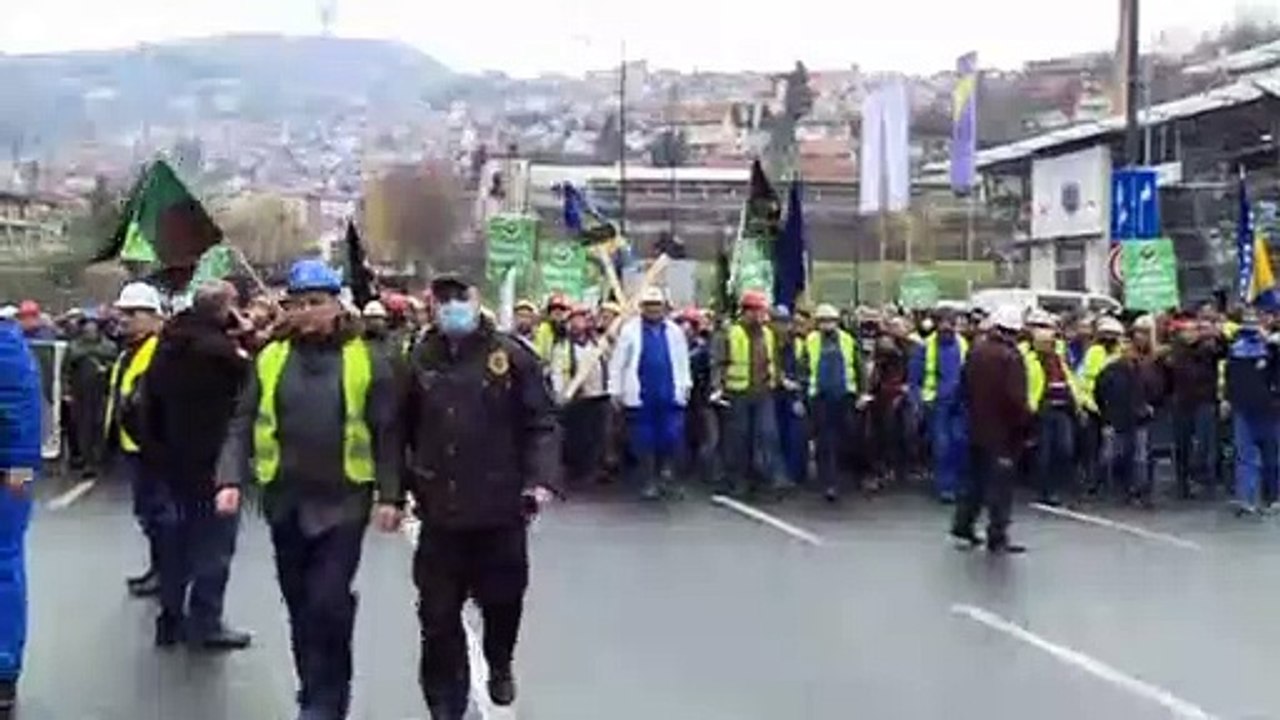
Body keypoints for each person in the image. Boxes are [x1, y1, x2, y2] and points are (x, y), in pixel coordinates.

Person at [220, 259, 403, 719]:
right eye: (298, 304)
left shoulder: (368, 358)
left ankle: (326, 700)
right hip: (285, 498)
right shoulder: (271, 357)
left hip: (344, 501)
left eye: (316, 303)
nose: (306, 312)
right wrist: (229, 477)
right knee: (300, 604)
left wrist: (391, 494)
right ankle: (313, 687)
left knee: (327, 600)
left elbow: (387, 432)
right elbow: (243, 421)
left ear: (337, 304)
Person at [401, 273, 558, 719]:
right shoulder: (416, 358)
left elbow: (541, 421)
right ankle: (444, 706)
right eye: (444, 298)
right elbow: (397, 428)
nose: (452, 305)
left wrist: (539, 479)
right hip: (439, 511)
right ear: (432, 305)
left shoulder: (509, 355)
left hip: (500, 509)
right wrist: (394, 492)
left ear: (476, 301)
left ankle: (499, 661)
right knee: (437, 618)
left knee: (503, 601)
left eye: (460, 297)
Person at [142, 281, 252, 650]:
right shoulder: (220, 352)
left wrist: (155, 451)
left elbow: (148, 401)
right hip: (215, 461)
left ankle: (170, 618)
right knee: (215, 546)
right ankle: (205, 622)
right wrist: (247, 336)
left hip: (171, 458)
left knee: (177, 544)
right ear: (226, 309)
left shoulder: (169, 343)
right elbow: (250, 385)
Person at [952, 305, 1032, 554]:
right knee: (1000, 486)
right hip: (1002, 432)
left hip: (976, 427)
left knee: (975, 481)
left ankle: (963, 525)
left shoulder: (976, 351)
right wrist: (1024, 426)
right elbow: (1015, 398)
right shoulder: (1011, 357)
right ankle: (997, 534)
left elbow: (963, 387)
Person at [104, 282, 167, 597]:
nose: (125, 319)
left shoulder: (160, 350)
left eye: (133, 313)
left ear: (155, 316)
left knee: (159, 515)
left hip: (153, 449)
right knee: (147, 514)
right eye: (123, 312)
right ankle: (158, 569)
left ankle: (167, 573)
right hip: (134, 447)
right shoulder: (130, 351)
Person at [609, 287, 693, 500]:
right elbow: (618, 362)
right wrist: (616, 390)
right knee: (644, 439)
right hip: (641, 393)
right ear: (642, 308)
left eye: (657, 306)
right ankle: (649, 480)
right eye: (649, 306)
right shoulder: (630, 330)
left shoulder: (674, 331)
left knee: (672, 436)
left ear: (664, 308)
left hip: (669, 391)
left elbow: (682, 361)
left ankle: (668, 477)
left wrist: (685, 386)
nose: (654, 310)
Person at [0, 318, 41, 711]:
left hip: (4, 477)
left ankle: (3, 668)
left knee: (3, 568)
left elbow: (20, 405)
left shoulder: (5, 345)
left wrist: (19, 464)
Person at [713, 290, 787, 498]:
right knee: (738, 439)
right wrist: (717, 387)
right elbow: (718, 362)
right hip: (737, 394)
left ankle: (764, 480)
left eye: (761, 311)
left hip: (763, 393)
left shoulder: (768, 334)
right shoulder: (730, 333)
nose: (760, 315)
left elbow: (774, 361)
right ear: (745, 311)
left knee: (766, 436)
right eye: (756, 311)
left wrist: (779, 380)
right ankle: (737, 480)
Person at [909, 308, 969, 502]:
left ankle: (959, 484)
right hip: (936, 403)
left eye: (951, 322)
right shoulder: (925, 347)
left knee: (960, 442)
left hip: (960, 402)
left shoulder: (963, 345)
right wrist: (918, 402)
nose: (947, 326)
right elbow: (914, 379)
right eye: (943, 322)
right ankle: (946, 486)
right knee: (942, 444)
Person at [1224, 310, 1279, 515]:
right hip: (1247, 410)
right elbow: (1230, 378)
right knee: (1249, 457)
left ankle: (1270, 497)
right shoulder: (1236, 350)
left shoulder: (1271, 348)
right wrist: (1228, 399)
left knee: (1269, 456)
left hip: (1268, 410)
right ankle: (1249, 498)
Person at [804, 304, 862, 501]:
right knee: (825, 441)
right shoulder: (810, 341)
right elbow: (803, 369)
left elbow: (858, 366)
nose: (826, 325)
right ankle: (829, 482)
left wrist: (862, 393)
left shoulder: (848, 340)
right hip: (820, 397)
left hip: (845, 396)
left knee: (847, 437)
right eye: (823, 321)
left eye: (830, 321)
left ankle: (846, 477)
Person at [62, 317, 118, 479]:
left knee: (100, 425)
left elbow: (116, 365)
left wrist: (106, 368)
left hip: (103, 392)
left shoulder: (109, 347)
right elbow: (66, 371)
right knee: (83, 428)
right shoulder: (74, 348)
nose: (90, 333)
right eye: (87, 330)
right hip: (81, 394)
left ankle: (99, 457)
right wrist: (67, 391)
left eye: (93, 330)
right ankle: (88, 462)